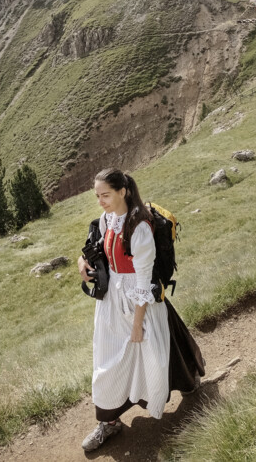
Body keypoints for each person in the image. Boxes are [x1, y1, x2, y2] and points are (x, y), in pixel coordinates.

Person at [77, 169, 205, 452]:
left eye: (105, 195)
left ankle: (190, 383)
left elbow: (144, 280)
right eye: (97, 196)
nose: (100, 201)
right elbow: (94, 248)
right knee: (107, 363)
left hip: (138, 302)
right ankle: (108, 422)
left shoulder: (140, 228)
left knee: (153, 352)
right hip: (111, 303)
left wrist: (137, 324)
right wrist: (81, 263)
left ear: (123, 191)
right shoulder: (106, 219)